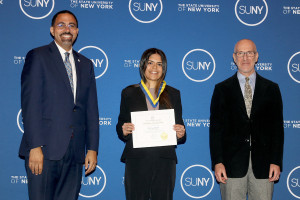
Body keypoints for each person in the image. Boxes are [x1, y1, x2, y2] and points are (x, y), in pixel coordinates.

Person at [19, 10, 99, 200]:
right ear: (52, 30)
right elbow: (30, 105)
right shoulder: (38, 56)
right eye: (61, 25)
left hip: (75, 152)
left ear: (77, 31)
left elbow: (91, 110)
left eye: (71, 25)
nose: (67, 29)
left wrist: (92, 149)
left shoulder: (86, 64)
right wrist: (35, 146)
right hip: (44, 151)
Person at [209, 39, 284, 200]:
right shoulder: (222, 89)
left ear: (256, 56)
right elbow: (216, 130)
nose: (245, 58)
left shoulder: (272, 89)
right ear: (234, 57)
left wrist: (276, 161)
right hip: (231, 165)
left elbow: (277, 129)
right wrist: (218, 162)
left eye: (249, 53)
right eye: (240, 53)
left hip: (264, 166)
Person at [116, 48, 186, 200]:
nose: (155, 68)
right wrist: (124, 130)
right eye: (150, 63)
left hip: (164, 160)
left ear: (164, 68)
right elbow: (121, 124)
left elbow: (179, 126)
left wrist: (181, 133)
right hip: (137, 159)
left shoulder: (174, 93)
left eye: (159, 64)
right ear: (143, 66)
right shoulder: (128, 93)